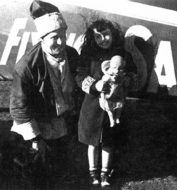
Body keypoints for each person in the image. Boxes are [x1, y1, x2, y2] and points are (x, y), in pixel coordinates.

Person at [9, 0, 80, 187]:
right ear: (42, 39)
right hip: (39, 121)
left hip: (62, 118)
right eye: (54, 38)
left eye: (63, 36)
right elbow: (19, 105)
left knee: (60, 162)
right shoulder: (26, 66)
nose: (60, 42)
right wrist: (35, 138)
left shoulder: (71, 55)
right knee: (38, 166)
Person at [76, 18, 147, 187]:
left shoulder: (122, 53)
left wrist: (125, 80)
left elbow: (133, 74)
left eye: (106, 34)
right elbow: (79, 76)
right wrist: (95, 85)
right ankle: (92, 172)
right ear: (92, 38)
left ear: (112, 34)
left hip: (115, 106)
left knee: (109, 142)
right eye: (98, 37)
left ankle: (105, 173)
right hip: (92, 107)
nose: (103, 40)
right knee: (92, 142)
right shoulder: (87, 54)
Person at [99, 55, 128, 127]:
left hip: (118, 95)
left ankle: (117, 117)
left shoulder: (122, 77)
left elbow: (125, 85)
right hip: (109, 95)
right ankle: (112, 120)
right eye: (114, 68)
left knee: (119, 107)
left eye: (120, 68)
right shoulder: (107, 77)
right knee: (110, 110)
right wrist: (102, 98)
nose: (117, 71)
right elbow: (102, 89)